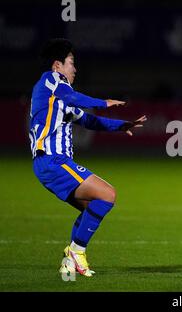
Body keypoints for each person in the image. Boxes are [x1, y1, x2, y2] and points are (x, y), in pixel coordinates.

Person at [29, 38, 147, 277]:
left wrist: (121, 126)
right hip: (53, 160)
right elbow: (73, 98)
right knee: (107, 194)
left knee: (94, 206)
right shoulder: (51, 80)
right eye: (71, 62)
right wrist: (103, 102)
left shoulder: (58, 99)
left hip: (51, 164)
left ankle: (70, 262)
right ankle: (77, 252)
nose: (75, 68)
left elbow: (88, 120)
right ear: (57, 65)